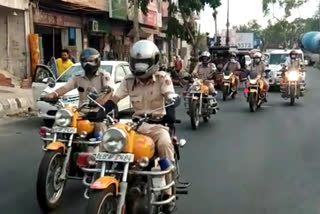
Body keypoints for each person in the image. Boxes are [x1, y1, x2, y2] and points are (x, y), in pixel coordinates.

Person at [100, 40, 176, 200]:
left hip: (158, 125)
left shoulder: (162, 78)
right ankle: (103, 174)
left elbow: (170, 97)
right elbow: (115, 98)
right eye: (137, 62)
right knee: (109, 137)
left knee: (165, 144)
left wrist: (171, 111)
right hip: (135, 125)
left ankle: (168, 190)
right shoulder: (128, 80)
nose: (140, 67)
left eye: (144, 63)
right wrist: (102, 111)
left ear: (154, 61)